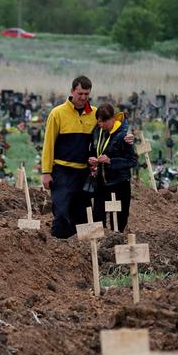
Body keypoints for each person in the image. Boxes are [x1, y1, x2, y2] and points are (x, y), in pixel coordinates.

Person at [41, 75, 97, 238]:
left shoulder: (94, 113)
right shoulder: (57, 113)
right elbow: (49, 144)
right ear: (72, 91)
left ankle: (80, 252)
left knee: (82, 215)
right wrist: (46, 172)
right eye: (80, 94)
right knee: (62, 213)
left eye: (86, 94)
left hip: (84, 173)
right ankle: (57, 250)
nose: (83, 98)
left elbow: (106, 134)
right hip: (62, 172)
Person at [89, 104, 137, 231]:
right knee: (98, 218)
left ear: (113, 119)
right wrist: (92, 159)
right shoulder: (97, 132)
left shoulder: (123, 136)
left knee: (119, 222)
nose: (101, 124)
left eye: (104, 121)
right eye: (99, 121)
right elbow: (93, 150)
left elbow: (132, 160)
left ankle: (117, 245)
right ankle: (100, 248)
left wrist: (111, 161)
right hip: (101, 183)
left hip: (119, 183)